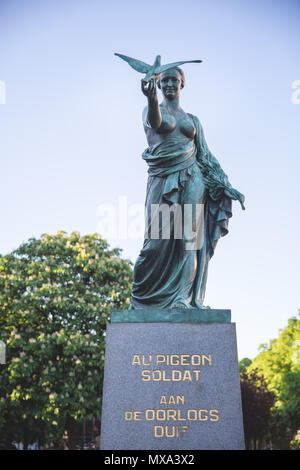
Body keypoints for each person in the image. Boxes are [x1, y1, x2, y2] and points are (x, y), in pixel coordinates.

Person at [130, 67, 244, 309]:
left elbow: (205, 155)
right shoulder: (151, 110)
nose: (170, 83)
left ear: (183, 84)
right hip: (163, 179)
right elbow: (155, 123)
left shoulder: (193, 120)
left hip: (194, 177)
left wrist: (226, 185)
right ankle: (144, 301)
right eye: (166, 80)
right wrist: (150, 98)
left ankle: (183, 299)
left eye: (175, 79)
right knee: (156, 242)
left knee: (189, 240)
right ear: (159, 84)